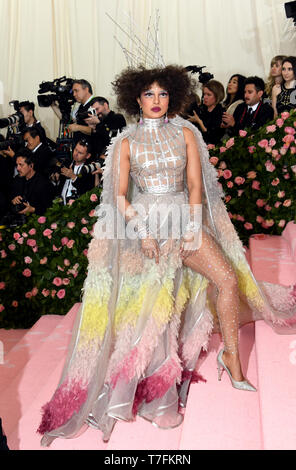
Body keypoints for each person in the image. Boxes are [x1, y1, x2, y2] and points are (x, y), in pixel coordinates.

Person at [38, 65, 296, 446]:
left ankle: (232, 360)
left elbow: (195, 184)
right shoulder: (125, 142)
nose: (156, 101)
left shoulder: (186, 133)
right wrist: (141, 232)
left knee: (225, 279)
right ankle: (153, 384)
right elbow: (121, 196)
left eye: (162, 94)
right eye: (148, 95)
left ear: (171, 96)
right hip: (146, 226)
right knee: (155, 308)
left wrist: (193, 224)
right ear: (135, 100)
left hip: (184, 220)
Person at [52, 139, 96, 204]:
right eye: (75, 150)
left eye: (80, 153)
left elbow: (86, 191)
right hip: (60, 204)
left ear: (88, 156)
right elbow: (57, 186)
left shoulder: (89, 169)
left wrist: (73, 177)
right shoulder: (66, 163)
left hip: (77, 208)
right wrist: (55, 178)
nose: (75, 154)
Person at [187, 79, 225, 145]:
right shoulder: (202, 109)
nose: (205, 97)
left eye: (209, 95)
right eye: (204, 94)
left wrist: (199, 121)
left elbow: (211, 138)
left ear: (217, 96)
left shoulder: (221, 113)